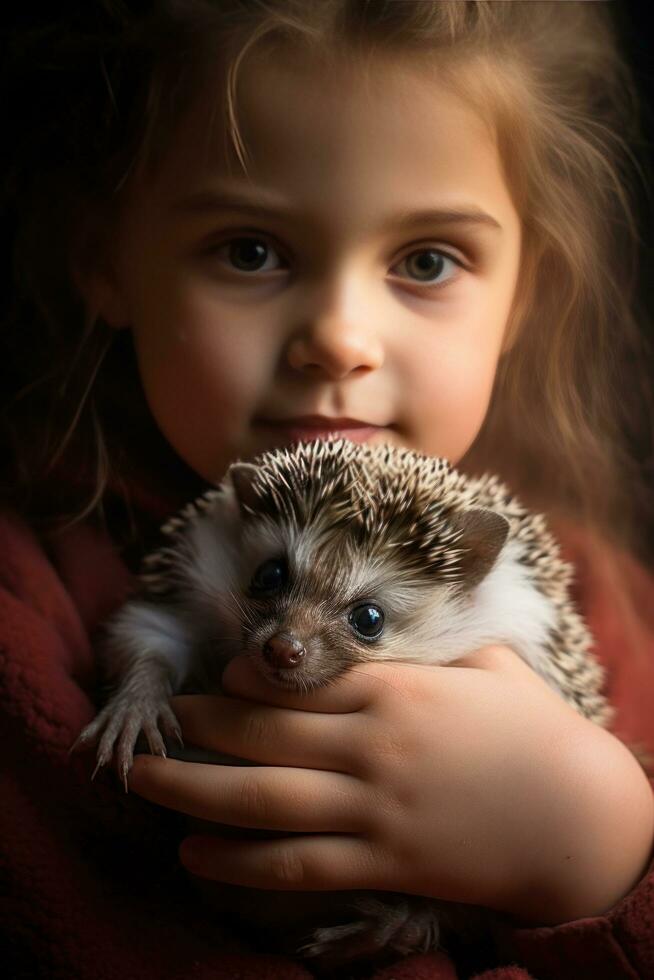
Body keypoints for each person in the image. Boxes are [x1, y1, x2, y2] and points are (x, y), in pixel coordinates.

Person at [1, 2, 653, 978]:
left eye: (426, 260)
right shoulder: (30, 591)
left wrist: (602, 844)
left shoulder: (609, 602)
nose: (341, 338)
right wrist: (142, 680)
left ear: (521, 297)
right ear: (104, 257)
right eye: (251, 249)